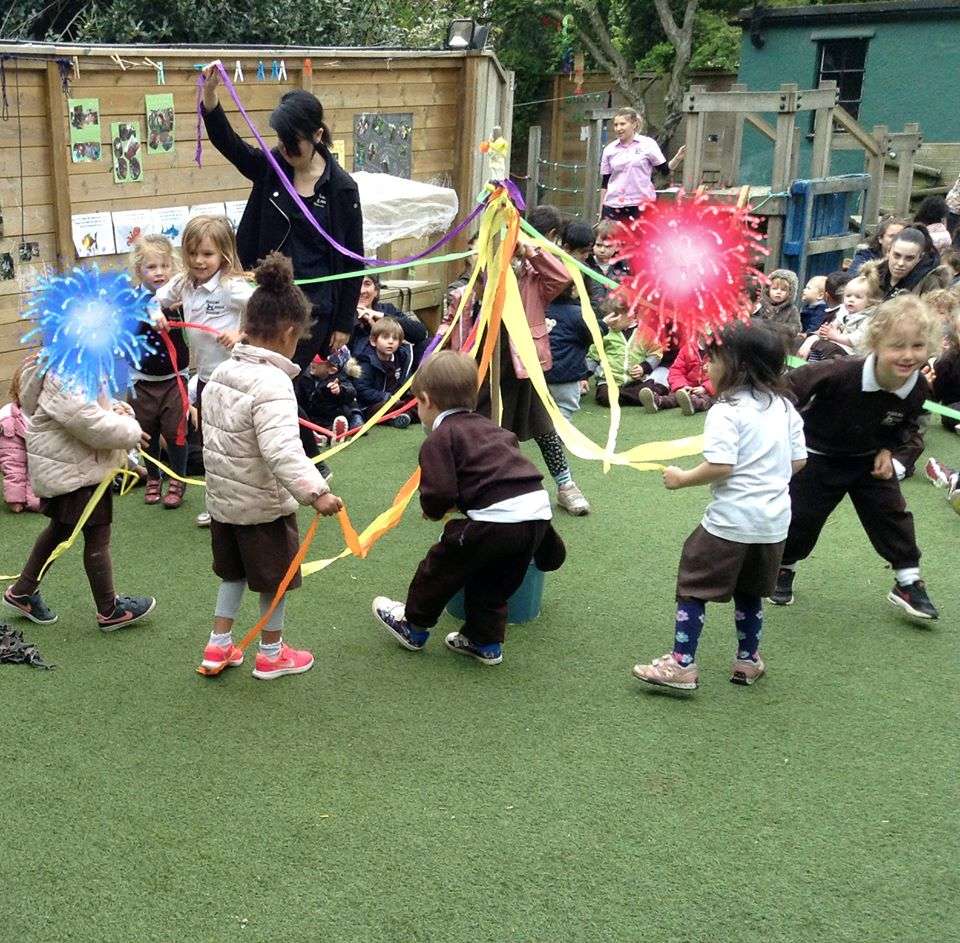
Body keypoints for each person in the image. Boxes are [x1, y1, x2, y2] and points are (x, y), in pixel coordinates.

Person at [632, 323, 806, 691]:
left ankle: (682, 664)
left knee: (693, 586)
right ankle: (748, 659)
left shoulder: (726, 410)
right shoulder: (785, 407)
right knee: (750, 590)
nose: (706, 366)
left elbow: (721, 466)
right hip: (774, 523)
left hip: (730, 522)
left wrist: (681, 478)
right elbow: (798, 462)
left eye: (712, 359)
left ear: (737, 365)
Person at [197, 252, 343, 680]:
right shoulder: (274, 383)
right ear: (290, 333)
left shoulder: (223, 371)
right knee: (274, 580)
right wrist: (317, 493)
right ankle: (272, 652)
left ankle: (218, 645)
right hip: (261, 508)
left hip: (225, 503)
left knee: (233, 575)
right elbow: (282, 451)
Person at [371, 351, 566, 666]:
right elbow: (519, 479)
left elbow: (441, 490)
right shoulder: (496, 430)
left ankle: (414, 626)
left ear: (426, 400)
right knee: (493, 583)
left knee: (440, 567)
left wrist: (434, 509)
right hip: (536, 514)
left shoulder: (440, 438)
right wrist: (546, 543)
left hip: (495, 521)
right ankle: (484, 642)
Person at [770, 294, 940, 622]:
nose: (908, 355)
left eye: (918, 346)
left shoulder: (917, 388)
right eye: (897, 345)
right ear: (875, 343)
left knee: (893, 515)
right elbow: (787, 390)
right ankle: (783, 568)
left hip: (868, 460)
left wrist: (892, 451)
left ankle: (908, 581)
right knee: (803, 516)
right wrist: (782, 436)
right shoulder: (839, 372)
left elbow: (909, 424)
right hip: (818, 456)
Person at [200, 65, 363, 370]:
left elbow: (353, 259)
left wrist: (344, 322)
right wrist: (210, 96)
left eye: (294, 142)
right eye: (281, 140)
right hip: (266, 302)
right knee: (262, 379)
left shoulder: (342, 189)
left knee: (287, 380)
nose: (286, 149)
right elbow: (231, 146)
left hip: (314, 310)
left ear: (317, 135)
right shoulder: (271, 168)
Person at [2, 359, 156, 629]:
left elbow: (93, 409)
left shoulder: (70, 362)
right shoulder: (67, 372)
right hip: (75, 471)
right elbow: (89, 422)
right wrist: (129, 431)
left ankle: (22, 591)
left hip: (71, 466)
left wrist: (118, 411)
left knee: (59, 530)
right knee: (97, 535)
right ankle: (110, 610)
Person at [478, 205, 591, 515]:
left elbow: (562, 277)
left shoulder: (534, 276)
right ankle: (484, 487)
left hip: (522, 361)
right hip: (489, 360)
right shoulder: (492, 267)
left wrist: (532, 253)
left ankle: (566, 485)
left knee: (543, 425)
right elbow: (480, 281)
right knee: (485, 426)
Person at [155, 215, 253, 527]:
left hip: (237, 378)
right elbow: (153, 301)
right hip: (208, 379)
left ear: (224, 254)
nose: (199, 261)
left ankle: (247, 499)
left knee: (236, 442)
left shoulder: (232, 287)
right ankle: (219, 504)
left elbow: (265, 310)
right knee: (212, 444)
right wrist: (156, 314)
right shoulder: (183, 283)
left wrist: (241, 334)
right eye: (192, 253)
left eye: (207, 254)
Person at [128, 234, 190, 510]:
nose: (159, 273)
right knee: (145, 431)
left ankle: (178, 477)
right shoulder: (134, 301)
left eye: (164, 266)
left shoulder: (180, 298)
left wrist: (178, 310)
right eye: (151, 267)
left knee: (176, 430)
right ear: (139, 271)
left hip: (175, 378)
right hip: (142, 380)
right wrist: (148, 315)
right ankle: (154, 475)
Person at [598, 107, 684, 221]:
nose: (618, 128)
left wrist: (677, 158)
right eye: (616, 125)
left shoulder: (648, 144)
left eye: (622, 124)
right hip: (613, 205)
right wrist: (601, 210)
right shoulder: (609, 149)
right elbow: (605, 183)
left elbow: (664, 171)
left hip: (641, 205)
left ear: (634, 124)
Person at [350, 273, 429, 366]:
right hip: (361, 368)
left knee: (428, 344)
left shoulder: (386, 309)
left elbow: (421, 333)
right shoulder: (342, 316)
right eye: (357, 284)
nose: (362, 290)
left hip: (395, 366)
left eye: (367, 284)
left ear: (376, 291)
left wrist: (382, 316)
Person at [802, 270, 882, 361]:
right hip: (839, 346)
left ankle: (816, 369)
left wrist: (836, 336)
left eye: (858, 297)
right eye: (848, 296)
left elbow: (857, 340)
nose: (851, 300)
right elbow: (835, 324)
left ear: (870, 301)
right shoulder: (843, 311)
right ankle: (813, 366)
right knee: (818, 345)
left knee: (825, 347)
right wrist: (827, 330)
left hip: (854, 355)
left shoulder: (868, 319)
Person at [354, 317, 414, 428]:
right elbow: (362, 389)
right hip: (374, 405)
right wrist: (385, 396)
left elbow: (406, 381)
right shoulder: (367, 363)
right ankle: (397, 417)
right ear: (373, 341)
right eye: (385, 338)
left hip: (397, 399)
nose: (390, 342)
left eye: (395, 339)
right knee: (388, 406)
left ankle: (405, 415)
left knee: (417, 400)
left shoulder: (402, 359)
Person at [0, 360, 40, 513]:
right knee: (15, 461)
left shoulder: (51, 413)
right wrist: (15, 498)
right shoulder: (10, 420)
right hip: (17, 442)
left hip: (44, 465)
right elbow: (13, 463)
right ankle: (17, 496)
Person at [298, 347, 364, 440]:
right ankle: (318, 435)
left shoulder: (338, 380)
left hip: (328, 418)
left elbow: (351, 392)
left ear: (332, 370)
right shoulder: (304, 376)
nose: (314, 360)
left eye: (320, 358)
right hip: (310, 417)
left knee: (332, 425)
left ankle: (333, 435)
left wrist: (340, 390)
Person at [870, 227, 950, 299]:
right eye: (896, 256)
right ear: (888, 252)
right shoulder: (873, 275)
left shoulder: (929, 286)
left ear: (919, 258)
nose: (900, 263)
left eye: (909, 258)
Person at [666, 336, 715, 415]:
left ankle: (692, 404)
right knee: (673, 396)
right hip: (688, 388)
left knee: (707, 400)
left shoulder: (720, 351)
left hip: (707, 392)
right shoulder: (687, 349)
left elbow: (723, 375)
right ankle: (658, 401)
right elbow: (676, 370)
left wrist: (705, 388)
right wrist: (682, 386)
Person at [754, 268, 801, 346]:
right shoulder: (760, 305)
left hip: (780, 345)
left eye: (783, 290)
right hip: (759, 342)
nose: (778, 292)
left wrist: (777, 327)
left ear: (790, 293)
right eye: (774, 288)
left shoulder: (792, 309)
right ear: (767, 290)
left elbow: (795, 328)